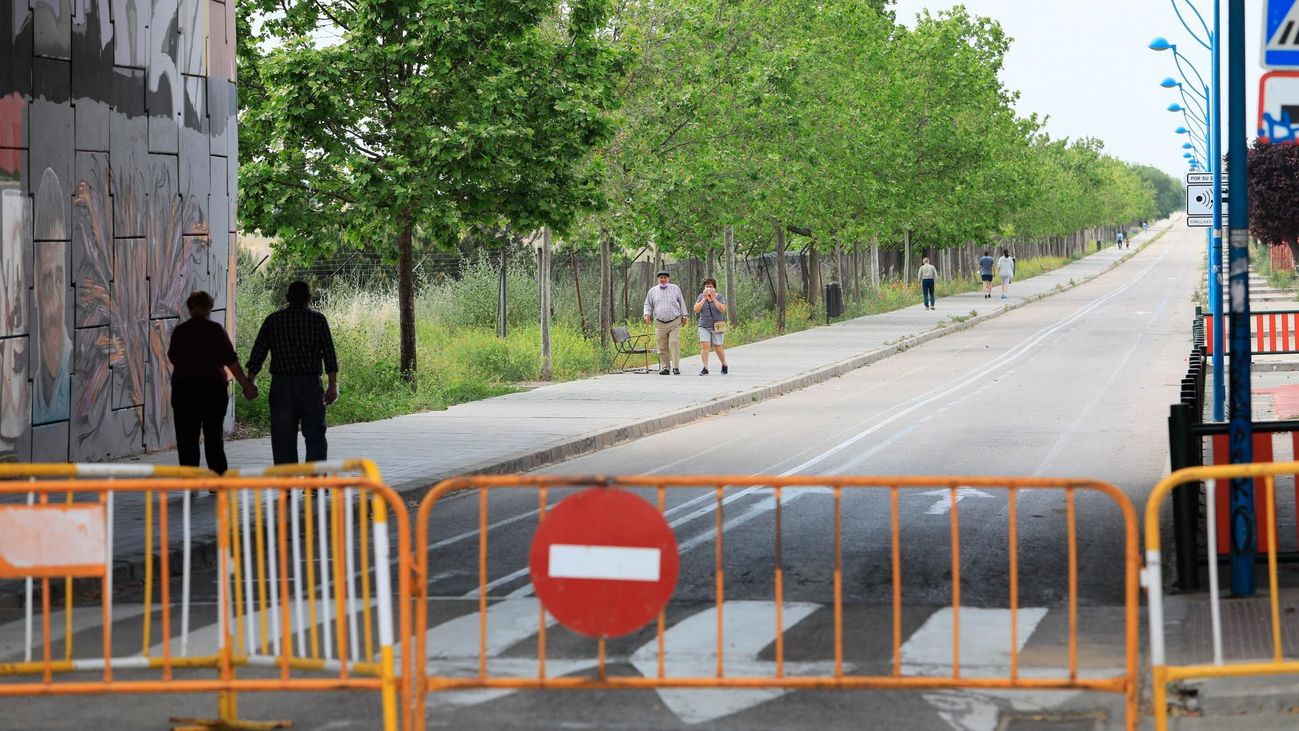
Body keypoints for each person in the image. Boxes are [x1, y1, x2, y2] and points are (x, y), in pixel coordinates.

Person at [246, 281, 339, 464]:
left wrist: (250, 381)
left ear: (287, 298)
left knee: (283, 438)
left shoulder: (273, 320)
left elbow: (258, 353)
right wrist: (332, 385)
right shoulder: (318, 320)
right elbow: (329, 355)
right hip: (310, 385)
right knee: (315, 435)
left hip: (282, 386)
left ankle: (287, 485)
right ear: (309, 299)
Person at [167, 291, 257, 475]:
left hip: (184, 390)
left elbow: (173, 357)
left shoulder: (180, 331)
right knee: (213, 436)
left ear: (190, 308)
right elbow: (231, 361)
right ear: (209, 307)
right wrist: (246, 384)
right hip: (212, 390)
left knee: (187, 438)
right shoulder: (216, 330)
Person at [643, 269, 687, 375]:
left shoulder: (675, 288)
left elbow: (681, 302)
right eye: (661, 278)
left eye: (665, 278)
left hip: (674, 321)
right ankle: (665, 367)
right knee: (661, 346)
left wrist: (684, 315)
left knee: (674, 342)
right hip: (659, 323)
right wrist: (646, 314)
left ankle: (676, 367)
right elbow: (647, 305)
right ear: (658, 279)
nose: (663, 279)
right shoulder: (652, 291)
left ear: (668, 279)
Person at [692, 277, 729, 375]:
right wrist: (704, 298)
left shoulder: (719, 296)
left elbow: (722, 309)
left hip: (717, 325)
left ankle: (724, 364)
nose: (708, 288)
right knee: (705, 346)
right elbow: (696, 309)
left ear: (714, 288)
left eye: (710, 286)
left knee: (718, 347)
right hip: (704, 325)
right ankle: (705, 368)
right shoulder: (701, 296)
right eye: (707, 286)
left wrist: (713, 299)